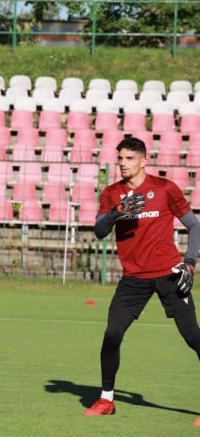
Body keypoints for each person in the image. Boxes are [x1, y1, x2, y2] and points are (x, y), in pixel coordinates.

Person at [84, 137, 200, 419]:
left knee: (193, 337)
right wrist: (116, 213)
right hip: (133, 278)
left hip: (170, 274)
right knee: (112, 335)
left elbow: (194, 226)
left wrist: (190, 263)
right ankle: (106, 400)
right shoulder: (112, 193)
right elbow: (99, 231)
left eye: (129, 158)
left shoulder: (165, 188)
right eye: (120, 158)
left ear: (143, 161)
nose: (123, 164)